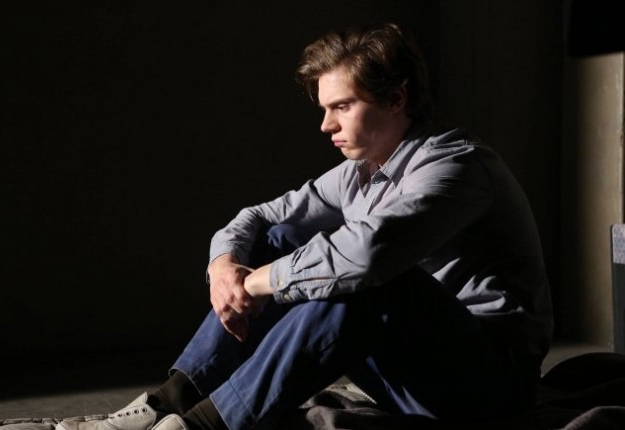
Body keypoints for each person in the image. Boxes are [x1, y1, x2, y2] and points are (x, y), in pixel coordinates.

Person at [56, 22, 553, 430]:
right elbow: (260, 219)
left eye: (342, 107)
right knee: (280, 240)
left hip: (489, 385)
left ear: (397, 98)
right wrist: (225, 266)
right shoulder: (363, 171)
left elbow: (366, 257)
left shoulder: (457, 167)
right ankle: (170, 401)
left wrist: (257, 283)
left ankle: (205, 426)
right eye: (324, 109)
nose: (326, 126)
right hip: (410, 374)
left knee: (364, 280)